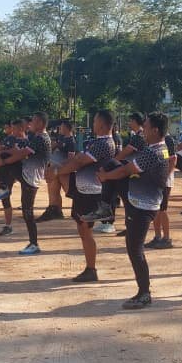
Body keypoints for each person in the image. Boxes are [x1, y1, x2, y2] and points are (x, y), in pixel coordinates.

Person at [95, 111, 170, 309]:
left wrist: (106, 177)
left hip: (143, 205)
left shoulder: (153, 152)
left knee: (135, 249)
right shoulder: (159, 148)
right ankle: (105, 208)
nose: (143, 131)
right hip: (136, 197)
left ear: (155, 130)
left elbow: (126, 170)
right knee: (111, 164)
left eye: (146, 127)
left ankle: (144, 293)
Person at [55, 109, 117, 282]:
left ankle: (91, 269)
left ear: (102, 125)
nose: (93, 124)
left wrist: (58, 171)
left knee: (85, 229)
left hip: (92, 192)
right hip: (84, 191)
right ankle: (90, 268)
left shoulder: (104, 144)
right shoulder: (97, 142)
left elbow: (80, 161)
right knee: (83, 229)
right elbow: (78, 159)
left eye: (95, 121)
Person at [0, 113, 51, 255]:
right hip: (26, 173)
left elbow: (22, 153)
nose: (30, 124)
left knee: (27, 212)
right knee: (27, 211)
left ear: (41, 124)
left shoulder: (41, 138)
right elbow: (19, 149)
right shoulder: (35, 137)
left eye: (34, 122)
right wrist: (3, 151)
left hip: (31, 178)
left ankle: (34, 244)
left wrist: (4, 161)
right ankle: (3, 187)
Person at [145, 129, 179, 250]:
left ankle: (167, 238)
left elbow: (173, 160)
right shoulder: (154, 140)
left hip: (165, 181)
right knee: (156, 209)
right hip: (155, 180)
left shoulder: (168, 140)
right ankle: (157, 237)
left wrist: (165, 177)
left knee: (162, 210)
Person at [36, 119, 75, 222]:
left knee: (70, 191)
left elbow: (71, 159)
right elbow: (51, 149)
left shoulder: (71, 141)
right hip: (54, 169)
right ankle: (56, 210)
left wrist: (60, 167)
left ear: (66, 127)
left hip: (63, 171)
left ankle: (80, 210)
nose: (59, 128)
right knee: (54, 190)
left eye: (61, 126)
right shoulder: (61, 138)